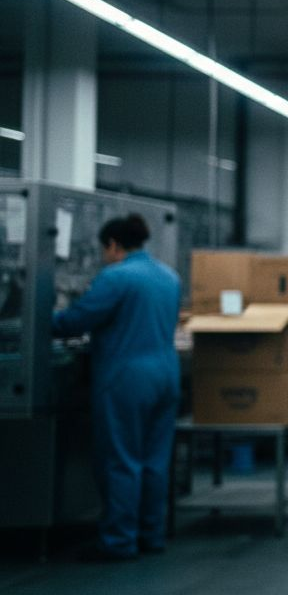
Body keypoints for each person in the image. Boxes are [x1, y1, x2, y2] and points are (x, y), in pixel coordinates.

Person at [52, 214, 180, 562]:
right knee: (155, 460)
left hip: (127, 376)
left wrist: (43, 318)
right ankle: (151, 535)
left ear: (113, 246)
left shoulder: (116, 277)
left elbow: (78, 319)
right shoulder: (169, 276)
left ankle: (119, 541)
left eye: (103, 250)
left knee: (122, 459)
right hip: (166, 373)